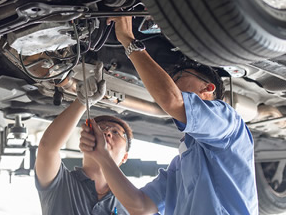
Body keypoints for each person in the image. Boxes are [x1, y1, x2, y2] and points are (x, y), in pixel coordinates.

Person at [80, 16, 258, 215]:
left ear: (208, 88)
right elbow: (141, 205)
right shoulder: (181, 166)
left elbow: (173, 101)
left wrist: (129, 41)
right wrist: (103, 157)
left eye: (179, 78)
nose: (173, 85)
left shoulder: (228, 122)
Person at [34, 62, 134, 215]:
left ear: (125, 157)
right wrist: (81, 102)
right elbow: (48, 149)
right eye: (100, 129)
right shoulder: (61, 184)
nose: (106, 133)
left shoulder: (129, 204)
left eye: (116, 132)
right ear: (84, 138)